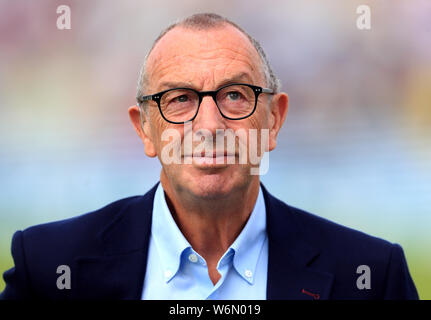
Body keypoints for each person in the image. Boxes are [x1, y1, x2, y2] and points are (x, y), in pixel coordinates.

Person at [0, 13, 418, 300]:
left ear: (274, 119)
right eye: (179, 99)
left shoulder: (371, 276)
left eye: (235, 95)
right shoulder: (48, 268)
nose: (209, 125)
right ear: (144, 128)